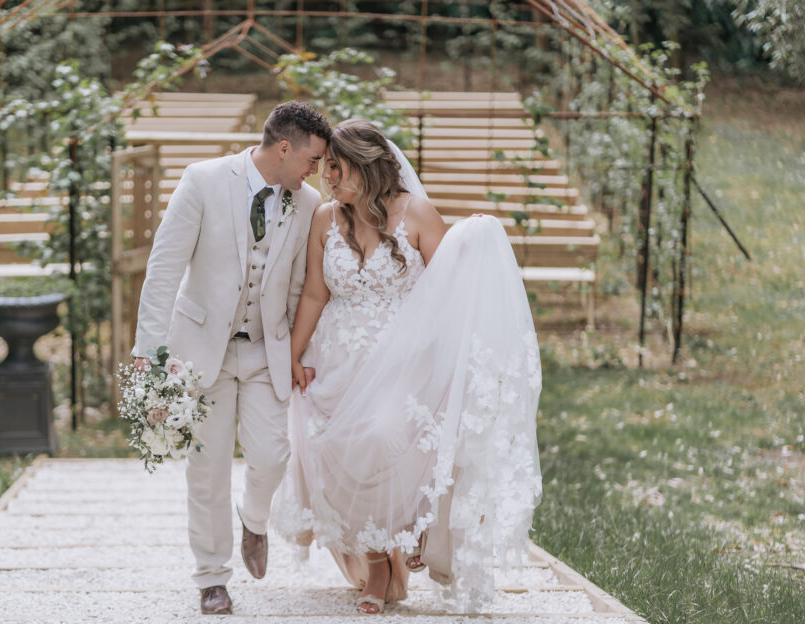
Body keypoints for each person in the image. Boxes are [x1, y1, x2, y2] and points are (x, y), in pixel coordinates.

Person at [272, 119, 542, 614]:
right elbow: (315, 291)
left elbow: (452, 291)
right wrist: (293, 351)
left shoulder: (416, 213)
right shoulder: (325, 219)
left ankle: (413, 533)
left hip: (404, 362)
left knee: (384, 437)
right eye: (325, 167)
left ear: (368, 165)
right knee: (336, 448)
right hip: (337, 357)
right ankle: (379, 564)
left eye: (336, 167)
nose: (327, 177)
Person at [131, 101, 331, 615]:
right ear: (284, 148)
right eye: (312, 159)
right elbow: (163, 270)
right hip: (202, 353)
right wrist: (149, 355)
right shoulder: (203, 180)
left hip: (268, 349)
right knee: (207, 467)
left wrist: (298, 352)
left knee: (272, 456)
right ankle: (212, 577)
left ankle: (255, 520)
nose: (316, 171)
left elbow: (299, 288)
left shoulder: (306, 203)